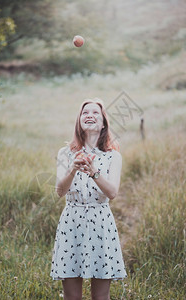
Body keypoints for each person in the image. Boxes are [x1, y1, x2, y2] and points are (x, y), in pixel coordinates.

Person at [50, 98, 127, 300]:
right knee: (71, 296)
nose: (89, 115)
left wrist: (94, 172)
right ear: (79, 121)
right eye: (85, 113)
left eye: (95, 113)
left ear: (103, 124)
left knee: (101, 296)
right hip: (71, 222)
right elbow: (60, 191)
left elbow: (112, 192)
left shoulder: (113, 156)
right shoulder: (65, 153)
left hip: (101, 223)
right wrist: (73, 169)